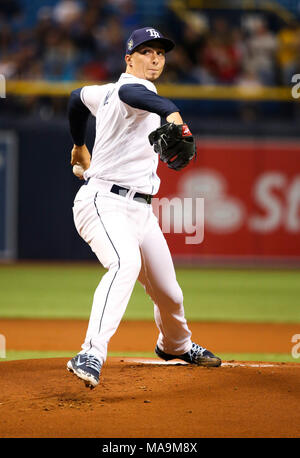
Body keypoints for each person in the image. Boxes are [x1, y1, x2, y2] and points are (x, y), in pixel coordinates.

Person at [66, 27, 221, 389]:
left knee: (170, 293)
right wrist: (174, 115)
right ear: (128, 58)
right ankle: (91, 352)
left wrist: (77, 145)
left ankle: (175, 345)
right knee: (125, 263)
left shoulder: (102, 92)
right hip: (103, 202)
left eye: (161, 53)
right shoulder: (127, 89)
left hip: (141, 211)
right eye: (146, 51)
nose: (155, 58)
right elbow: (142, 97)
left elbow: (75, 97)